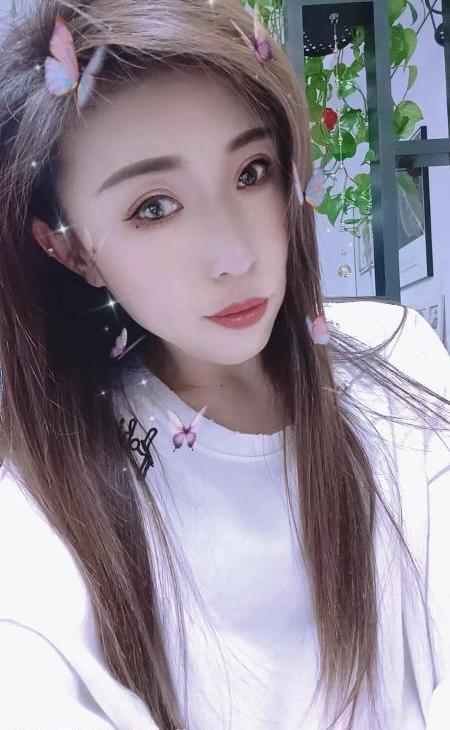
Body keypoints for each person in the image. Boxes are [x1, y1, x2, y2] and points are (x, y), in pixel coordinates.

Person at [0, 1, 449, 728]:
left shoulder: (396, 360)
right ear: (72, 250)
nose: (235, 257)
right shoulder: (43, 525)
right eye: (154, 207)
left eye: (251, 172)